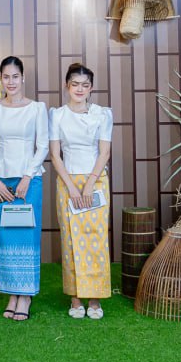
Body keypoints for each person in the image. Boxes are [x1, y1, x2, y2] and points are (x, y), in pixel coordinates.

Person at [0, 56, 48, 320]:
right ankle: (11, 293)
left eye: (15, 76)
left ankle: (26, 295)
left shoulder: (37, 108)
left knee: (27, 238)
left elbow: (43, 145)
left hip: (29, 182)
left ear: (23, 78)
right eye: (6, 77)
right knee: (5, 238)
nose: (11, 82)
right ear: (1, 79)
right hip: (1, 182)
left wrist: (27, 176)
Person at [49, 62, 113, 320]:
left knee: (96, 237)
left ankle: (95, 298)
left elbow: (104, 152)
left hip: (96, 181)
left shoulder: (102, 114)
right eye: (75, 84)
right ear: (67, 85)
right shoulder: (57, 115)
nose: (79, 89)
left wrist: (88, 184)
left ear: (91, 88)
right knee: (71, 239)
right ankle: (75, 298)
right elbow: (55, 155)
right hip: (67, 182)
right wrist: (71, 187)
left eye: (85, 85)